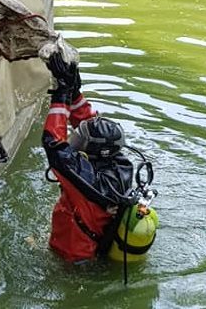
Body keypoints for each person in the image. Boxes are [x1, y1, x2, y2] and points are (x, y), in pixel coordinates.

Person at [41, 51, 158, 264]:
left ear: (88, 151)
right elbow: (92, 128)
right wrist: (74, 92)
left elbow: (53, 143)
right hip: (94, 246)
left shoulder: (85, 179)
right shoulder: (118, 163)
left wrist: (61, 96)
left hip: (72, 258)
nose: (74, 136)